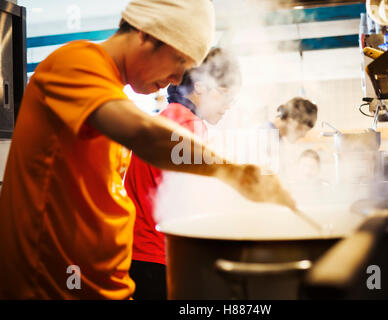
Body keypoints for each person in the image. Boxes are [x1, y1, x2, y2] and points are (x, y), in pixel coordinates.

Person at [0, 0, 295, 300]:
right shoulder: (75, 62)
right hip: (53, 288)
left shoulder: (111, 93)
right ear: (146, 34)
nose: (179, 80)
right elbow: (146, 135)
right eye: (179, 61)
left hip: (105, 284)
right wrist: (233, 173)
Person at [124, 47, 241, 300]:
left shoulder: (167, 118)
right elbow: (194, 202)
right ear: (201, 87)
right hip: (161, 258)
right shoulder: (189, 126)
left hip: (140, 255)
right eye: (227, 96)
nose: (228, 106)